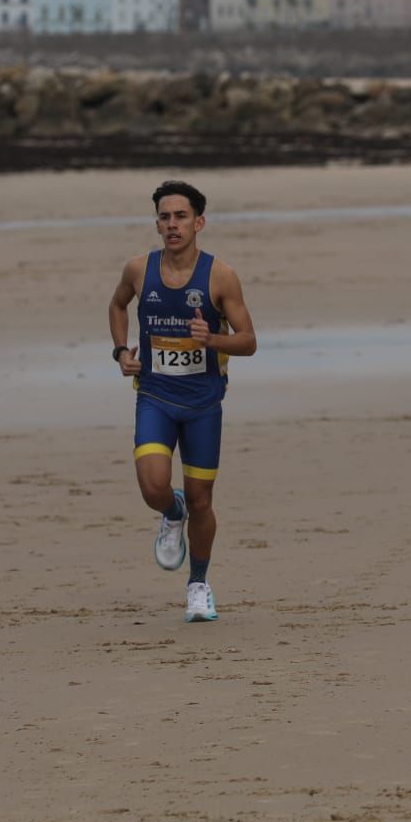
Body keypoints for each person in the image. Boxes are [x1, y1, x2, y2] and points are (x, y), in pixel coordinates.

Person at [107, 180, 258, 623]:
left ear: (199, 222)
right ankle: (169, 514)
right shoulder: (139, 269)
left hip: (203, 405)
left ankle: (198, 585)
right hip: (154, 396)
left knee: (202, 501)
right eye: (165, 217)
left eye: (181, 217)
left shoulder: (221, 276)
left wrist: (211, 338)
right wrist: (120, 351)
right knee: (154, 487)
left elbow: (248, 341)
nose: (172, 225)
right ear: (157, 223)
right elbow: (117, 306)